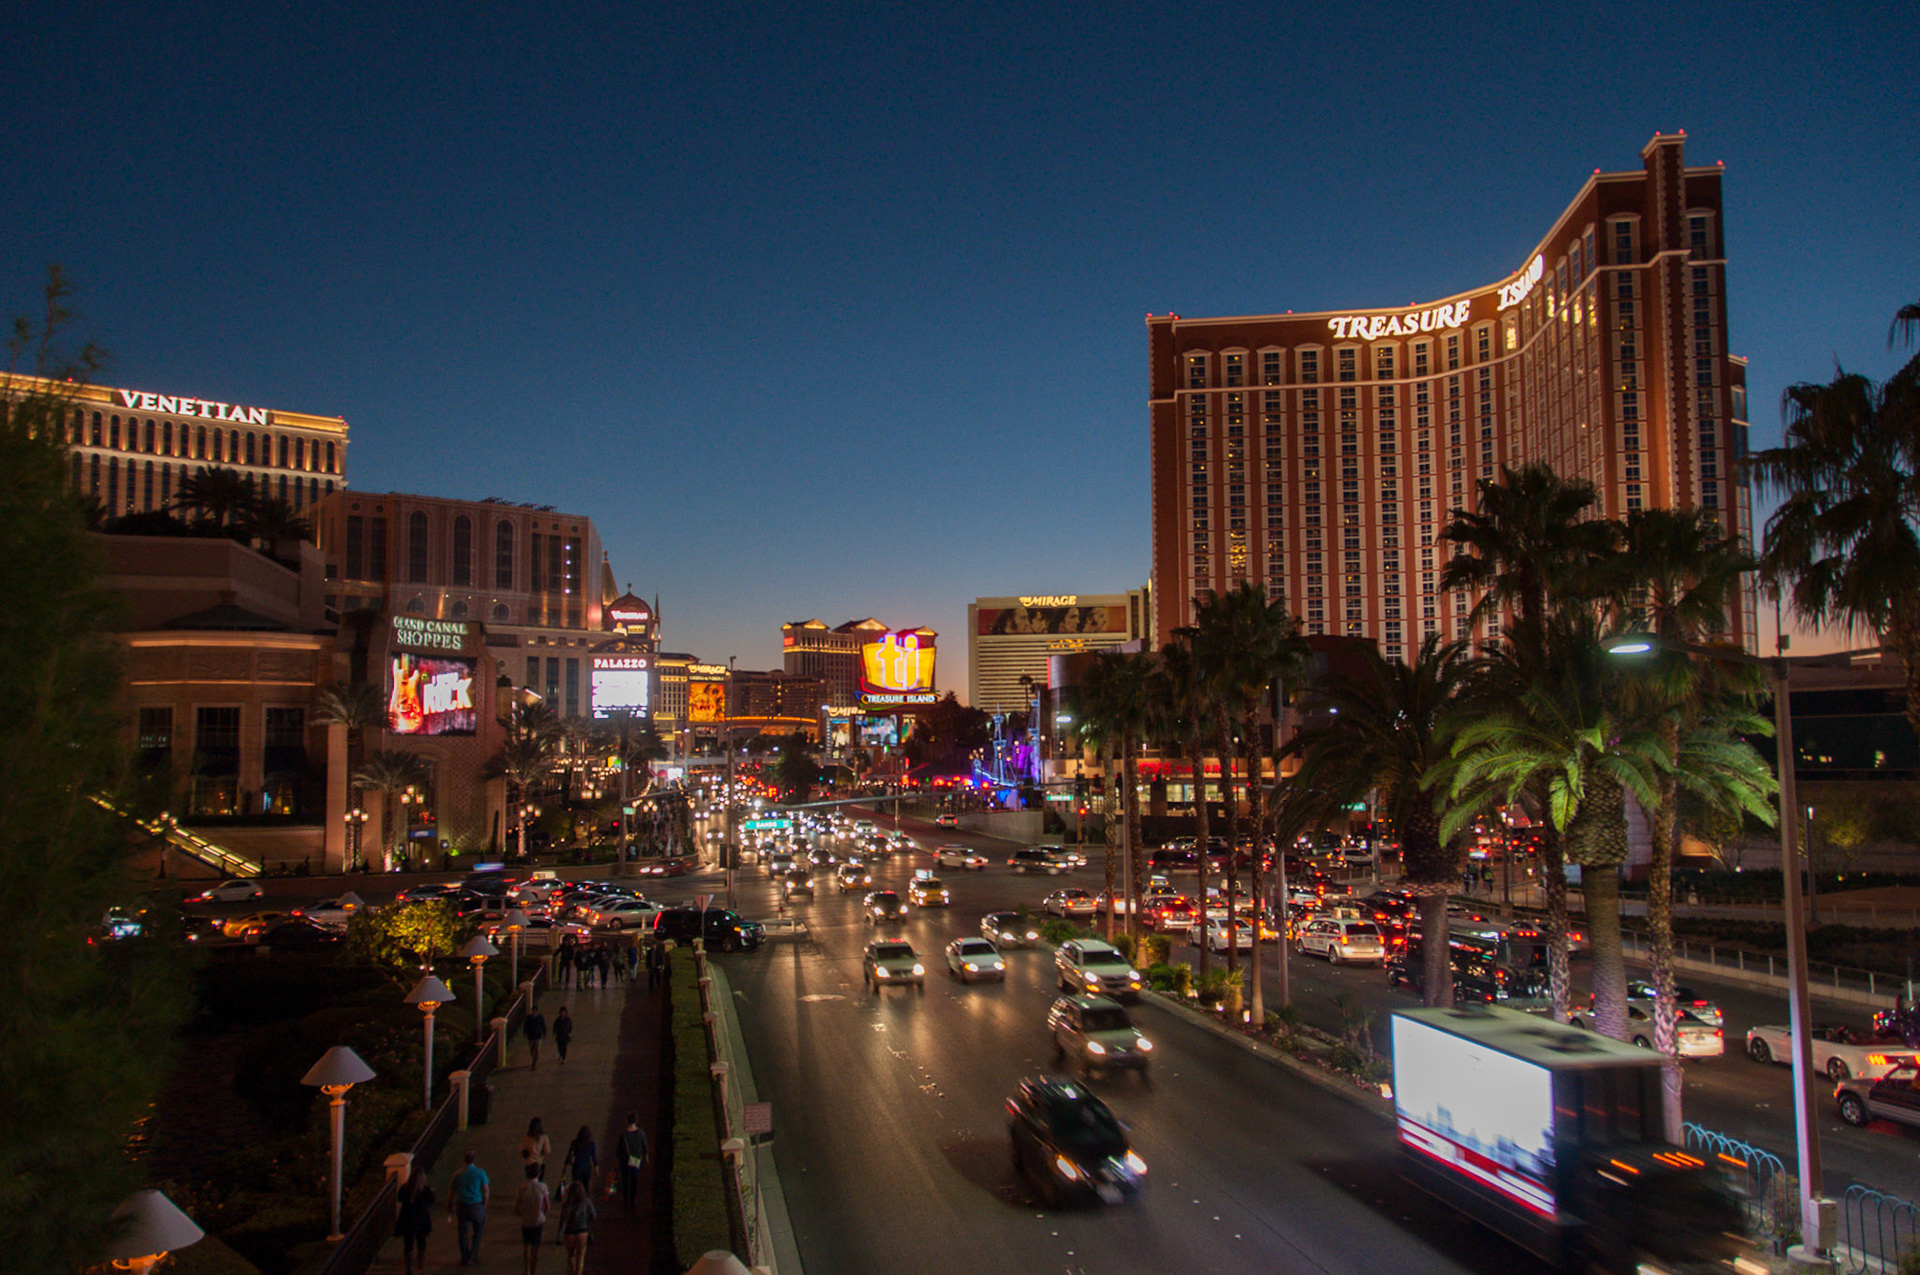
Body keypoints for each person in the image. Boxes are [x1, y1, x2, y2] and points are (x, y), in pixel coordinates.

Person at [447, 1148, 490, 1267]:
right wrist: (484, 1204)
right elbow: (486, 1190)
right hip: (476, 1205)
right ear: (474, 1160)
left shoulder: (457, 1174)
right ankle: (474, 1253)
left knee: (463, 1233)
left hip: (462, 1206)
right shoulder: (480, 1173)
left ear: (464, 1160)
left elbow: (451, 1193)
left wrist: (449, 1206)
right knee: (478, 1231)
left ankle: (464, 1257)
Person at [394, 1166, 435, 1275]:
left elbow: (399, 1198)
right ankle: (420, 1260)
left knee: (408, 1243)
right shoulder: (425, 1190)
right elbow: (432, 1200)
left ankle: (409, 1266)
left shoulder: (404, 1189)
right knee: (421, 1241)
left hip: (407, 1219)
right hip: (421, 1220)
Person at [513, 1162, 550, 1275]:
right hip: (537, 1220)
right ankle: (533, 1270)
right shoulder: (542, 1187)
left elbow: (517, 1206)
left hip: (525, 1220)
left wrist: (521, 1213)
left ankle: (526, 1270)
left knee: (526, 1246)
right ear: (539, 1173)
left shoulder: (522, 1187)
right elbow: (547, 1206)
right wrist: (543, 1215)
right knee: (535, 1248)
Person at [557, 1180, 595, 1275]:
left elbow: (562, 1220)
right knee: (580, 1258)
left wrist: (559, 1235)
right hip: (582, 1231)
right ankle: (578, 1272)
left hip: (569, 1232)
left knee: (571, 1255)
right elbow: (594, 1215)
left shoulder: (567, 1204)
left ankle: (572, 1271)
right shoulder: (586, 1202)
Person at [618, 1113, 648, 1212]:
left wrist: (615, 1162)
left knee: (625, 1180)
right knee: (634, 1180)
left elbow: (619, 1150)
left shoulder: (623, 1134)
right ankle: (632, 1201)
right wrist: (646, 1159)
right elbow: (645, 1148)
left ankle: (625, 1200)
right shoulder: (641, 1133)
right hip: (636, 1160)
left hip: (625, 1160)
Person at [563, 1125, 597, 1198]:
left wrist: (565, 1166)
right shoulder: (591, 1144)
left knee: (576, 1186)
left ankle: (576, 1199)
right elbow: (594, 1157)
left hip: (576, 1167)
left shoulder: (575, 1143)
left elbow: (569, 1155)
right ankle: (586, 1199)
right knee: (586, 1185)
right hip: (587, 1168)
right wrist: (596, 1167)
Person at [520, 1116, 550, 1182]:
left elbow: (522, 1149)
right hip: (539, 1163)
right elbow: (546, 1151)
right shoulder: (544, 1137)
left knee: (529, 1182)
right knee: (538, 1183)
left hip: (529, 1163)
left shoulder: (527, 1137)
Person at [523, 1004, 548, 1069]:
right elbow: (526, 1026)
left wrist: (544, 1033)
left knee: (537, 1049)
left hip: (538, 1035)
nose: (534, 1012)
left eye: (535, 1010)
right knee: (532, 1049)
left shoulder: (540, 1017)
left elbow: (543, 1025)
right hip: (531, 1036)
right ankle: (534, 1059)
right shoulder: (529, 1018)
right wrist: (525, 1033)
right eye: (533, 1010)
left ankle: (535, 1062)